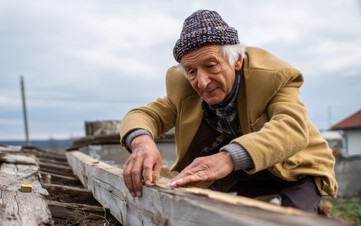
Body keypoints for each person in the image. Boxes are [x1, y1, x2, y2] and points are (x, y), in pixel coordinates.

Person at [120, 9, 337, 213]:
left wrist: (226, 159)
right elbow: (145, 115)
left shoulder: (273, 77)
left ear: (237, 61)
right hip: (241, 168)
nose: (202, 82)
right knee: (194, 205)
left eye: (211, 65)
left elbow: (292, 130)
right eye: (192, 71)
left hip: (294, 163)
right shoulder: (185, 88)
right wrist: (141, 142)